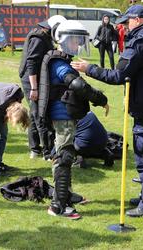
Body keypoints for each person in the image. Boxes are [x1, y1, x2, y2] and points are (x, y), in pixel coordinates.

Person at [71, 5, 143, 217]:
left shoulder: (139, 43)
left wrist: (88, 69)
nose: (126, 27)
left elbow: (118, 76)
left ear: (137, 20)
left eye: (128, 22)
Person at [38, 20, 109, 219]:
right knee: (64, 157)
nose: (78, 44)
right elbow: (77, 85)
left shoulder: (60, 59)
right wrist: (101, 99)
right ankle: (59, 205)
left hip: (64, 116)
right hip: (63, 117)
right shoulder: (60, 63)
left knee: (63, 156)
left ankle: (65, 196)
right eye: (75, 39)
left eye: (80, 40)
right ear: (63, 39)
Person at [19, 15, 66, 161]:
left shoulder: (44, 35)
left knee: (35, 114)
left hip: (37, 79)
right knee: (39, 114)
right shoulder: (38, 38)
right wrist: (34, 88)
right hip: (31, 80)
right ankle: (46, 152)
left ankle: (35, 149)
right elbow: (32, 62)